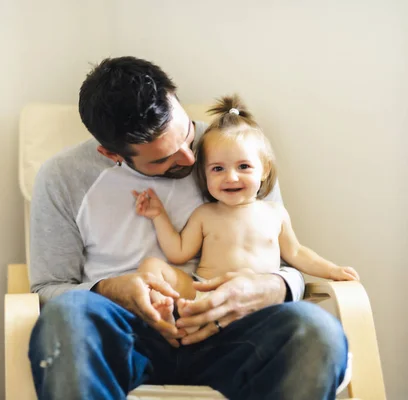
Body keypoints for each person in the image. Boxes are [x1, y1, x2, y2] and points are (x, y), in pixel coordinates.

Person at [28, 56, 348, 400]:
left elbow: (286, 256)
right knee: (68, 316)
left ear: (176, 98)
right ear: (111, 153)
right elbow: (48, 289)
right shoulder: (62, 178)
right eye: (162, 159)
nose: (190, 158)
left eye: (185, 135)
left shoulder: (233, 150)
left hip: (231, 331)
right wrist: (109, 289)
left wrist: (272, 287)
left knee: (316, 330)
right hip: (128, 334)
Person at [133, 94, 359, 327]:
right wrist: (158, 216)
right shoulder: (205, 214)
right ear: (204, 174)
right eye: (218, 168)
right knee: (151, 267)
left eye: (243, 166)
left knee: (301, 322)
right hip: (204, 292)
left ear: (264, 170)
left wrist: (332, 270)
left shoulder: (275, 213)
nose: (231, 177)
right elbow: (178, 252)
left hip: (254, 300)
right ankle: (162, 312)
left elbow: (297, 253)